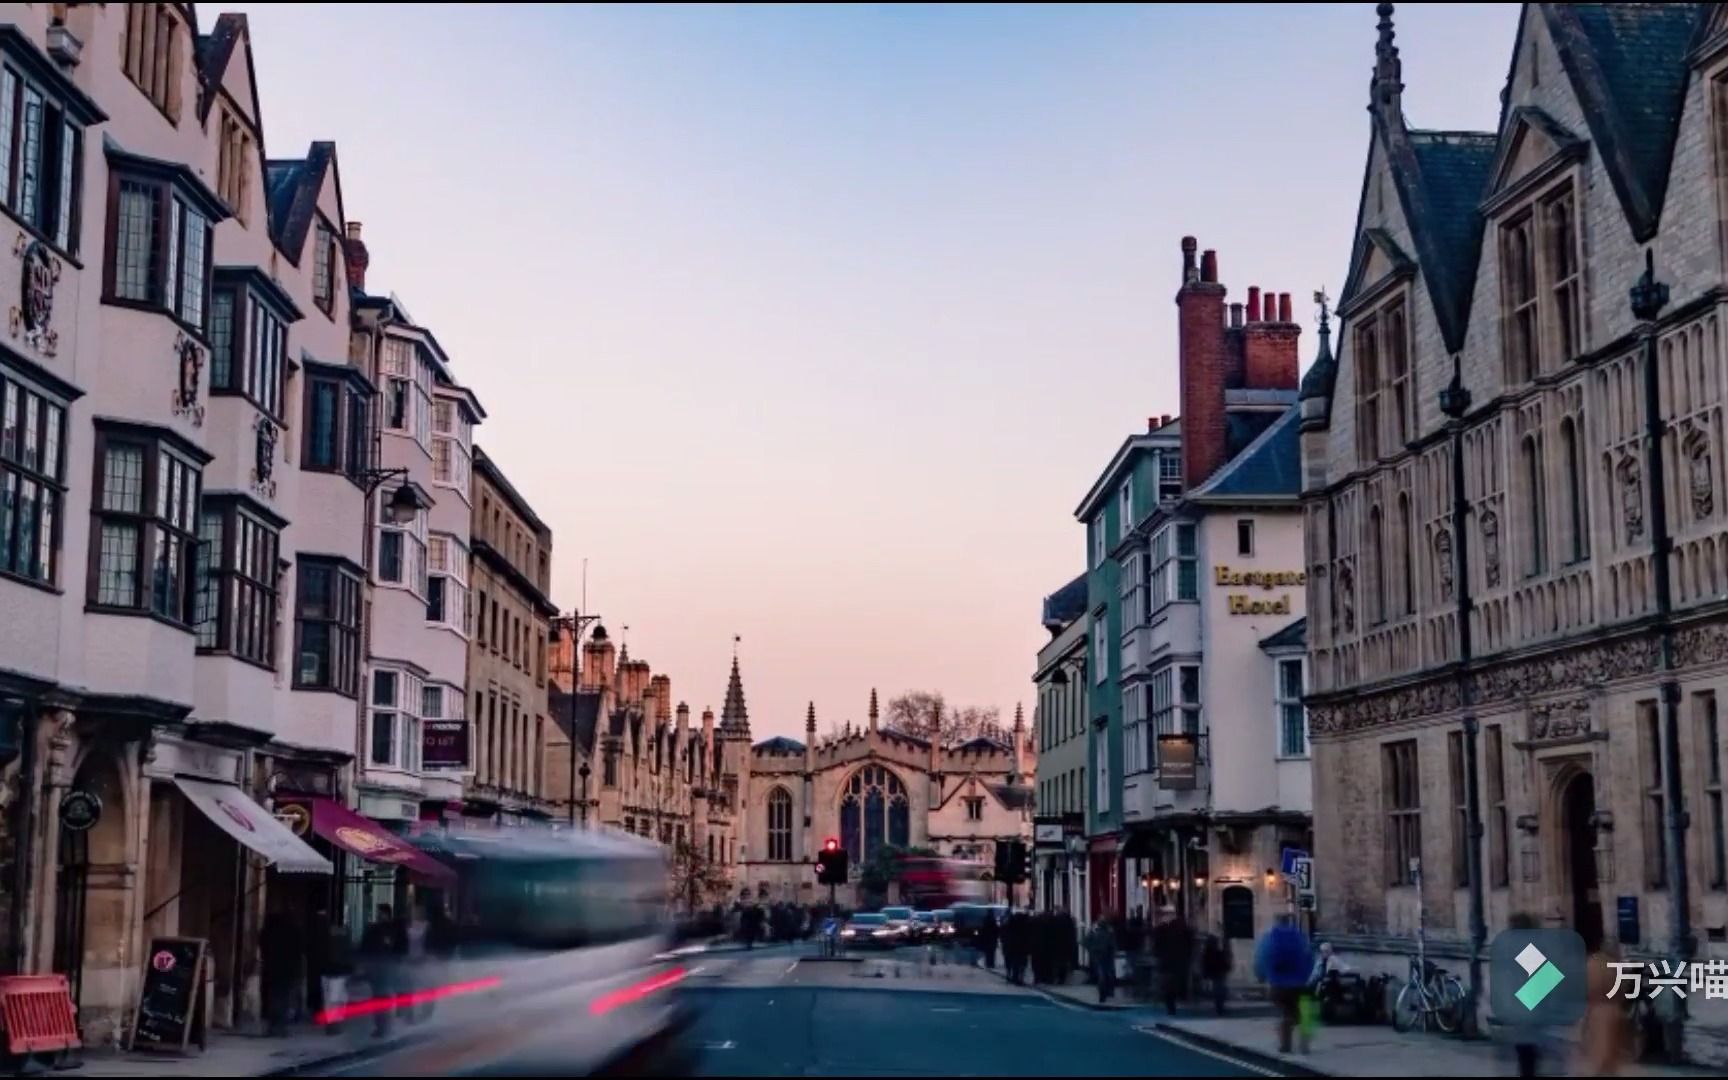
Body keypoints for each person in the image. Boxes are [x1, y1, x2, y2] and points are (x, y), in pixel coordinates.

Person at [1255, 913, 1315, 1054]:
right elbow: (1309, 958)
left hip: (1277, 985)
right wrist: (1306, 976)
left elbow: (1261, 958)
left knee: (1285, 1013)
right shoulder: (1300, 938)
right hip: (1299, 984)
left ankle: (1285, 1045)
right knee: (1305, 1014)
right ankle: (1304, 1044)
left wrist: (1262, 976)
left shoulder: (1269, 938)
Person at [360, 904, 404, 1038]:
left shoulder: (390, 930)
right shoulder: (376, 930)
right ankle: (382, 1026)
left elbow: (398, 948)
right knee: (379, 997)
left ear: (387, 914)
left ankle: (384, 1026)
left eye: (381, 913)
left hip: (384, 968)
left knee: (382, 997)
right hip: (379, 968)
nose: (379, 915)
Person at [260, 909, 303, 1037]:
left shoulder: (268, 932)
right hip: (288, 970)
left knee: (274, 997)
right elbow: (299, 949)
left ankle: (274, 1026)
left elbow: (263, 947)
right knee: (283, 998)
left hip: (272, 969)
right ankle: (280, 1026)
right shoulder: (293, 931)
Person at [1152, 909, 1193, 1016]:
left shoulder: (1161, 930)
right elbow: (1189, 944)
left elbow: (1156, 945)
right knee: (1176, 983)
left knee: (1168, 986)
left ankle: (1171, 1006)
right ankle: (1181, 998)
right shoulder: (1184, 929)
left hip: (1166, 962)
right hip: (1179, 961)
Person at [1087, 917, 1118, 1003]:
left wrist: (1092, 951)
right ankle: (1109, 991)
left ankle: (1102, 994)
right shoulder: (1109, 934)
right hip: (1108, 957)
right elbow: (1113, 945)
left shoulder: (1095, 933)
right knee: (1109, 974)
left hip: (1099, 957)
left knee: (1101, 975)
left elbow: (1087, 941)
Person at [1201, 933, 1231, 1016]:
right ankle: (1220, 1008)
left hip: (1215, 973)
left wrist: (1205, 974)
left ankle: (1219, 1008)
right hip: (1219, 973)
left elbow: (1205, 964)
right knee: (1220, 990)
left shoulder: (1207, 952)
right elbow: (1223, 962)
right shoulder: (1217, 952)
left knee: (1217, 990)